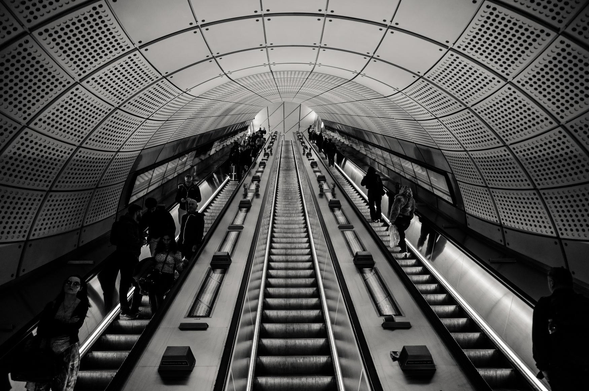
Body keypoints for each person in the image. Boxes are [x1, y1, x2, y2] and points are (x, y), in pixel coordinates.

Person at [25, 275, 89, 391]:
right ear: (64, 285)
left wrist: (54, 323)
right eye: (68, 282)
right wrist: (66, 324)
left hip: (67, 351)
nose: (71, 286)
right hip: (46, 349)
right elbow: (42, 329)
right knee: (40, 384)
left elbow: (74, 327)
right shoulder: (52, 305)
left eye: (76, 284)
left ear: (80, 288)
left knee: (63, 386)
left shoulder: (82, 306)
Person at [532, 267, 589, 391]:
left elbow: (539, 338)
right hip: (584, 368)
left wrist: (543, 366)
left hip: (559, 369)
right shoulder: (585, 303)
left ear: (552, 282)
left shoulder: (544, 304)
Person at [111, 204, 144, 319]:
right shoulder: (131, 225)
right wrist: (141, 241)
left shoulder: (118, 224)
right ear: (136, 212)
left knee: (124, 283)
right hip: (130, 256)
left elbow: (112, 240)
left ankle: (125, 308)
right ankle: (132, 309)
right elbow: (133, 240)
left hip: (120, 255)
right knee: (138, 282)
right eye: (140, 212)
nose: (142, 214)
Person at [149, 233, 184, 314]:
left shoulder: (176, 252)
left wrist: (182, 263)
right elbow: (153, 261)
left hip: (167, 276)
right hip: (156, 274)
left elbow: (179, 267)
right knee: (152, 292)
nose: (166, 242)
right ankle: (154, 313)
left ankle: (160, 313)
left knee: (159, 292)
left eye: (168, 240)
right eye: (164, 239)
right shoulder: (158, 250)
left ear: (171, 240)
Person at [388, 185, 416, 256]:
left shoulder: (400, 198)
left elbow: (395, 210)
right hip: (406, 221)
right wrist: (409, 218)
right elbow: (412, 211)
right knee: (401, 233)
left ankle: (403, 249)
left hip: (400, 219)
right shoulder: (412, 200)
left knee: (400, 235)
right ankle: (403, 249)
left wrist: (392, 220)